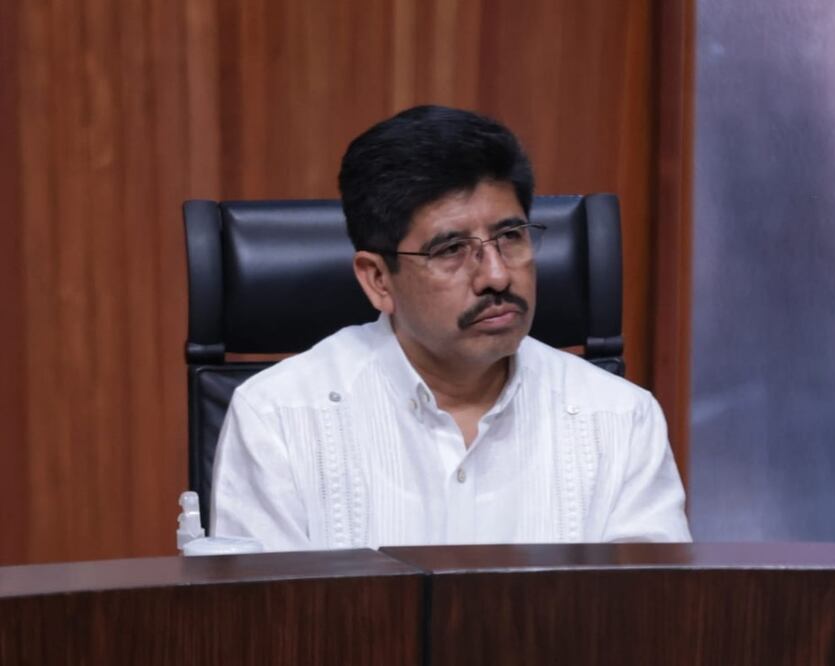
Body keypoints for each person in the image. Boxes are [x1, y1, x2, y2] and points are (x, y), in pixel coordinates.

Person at [210, 105, 691, 550]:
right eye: (450, 250)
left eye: (511, 237)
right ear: (379, 280)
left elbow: (645, 628)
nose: (497, 276)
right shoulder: (280, 419)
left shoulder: (620, 420)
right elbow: (270, 633)